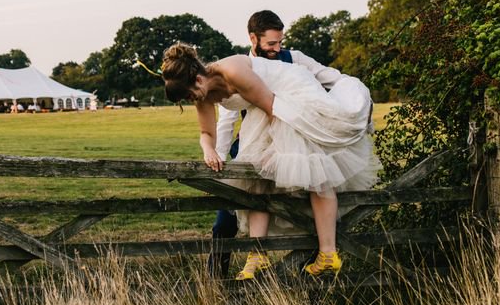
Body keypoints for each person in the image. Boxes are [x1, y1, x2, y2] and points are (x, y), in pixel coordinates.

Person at [161, 42, 379, 279]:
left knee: (313, 165)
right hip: (266, 107)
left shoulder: (234, 71)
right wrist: (208, 151)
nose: (191, 99)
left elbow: (272, 106)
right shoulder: (201, 95)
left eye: (189, 95)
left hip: (289, 96)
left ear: (198, 80)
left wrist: (278, 150)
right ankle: (257, 255)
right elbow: (207, 133)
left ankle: (328, 255)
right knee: (257, 176)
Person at [209, 10, 343, 278]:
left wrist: (350, 91)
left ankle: (310, 258)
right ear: (253, 38)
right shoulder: (239, 68)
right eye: (271, 44)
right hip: (252, 140)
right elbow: (227, 119)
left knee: (313, 187)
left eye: (280, 42)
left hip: (294, 137)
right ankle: (217, 274)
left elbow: (327, 75)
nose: (277, 49)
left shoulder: (295, 58)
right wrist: (219, 159)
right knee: (227, 214)